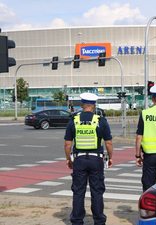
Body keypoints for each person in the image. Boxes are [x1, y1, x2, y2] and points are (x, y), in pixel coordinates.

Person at [64, 92, 113, 225]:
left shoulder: (74, 120)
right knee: (97, 191)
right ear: (94, 105)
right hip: (96, 160)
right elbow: (108, 142)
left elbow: (68, 144)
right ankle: (99, 220)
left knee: (78, 191)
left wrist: (69, 159)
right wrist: (110, 157)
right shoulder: (100, 121)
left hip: (79, 160)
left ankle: (77, 220)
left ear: (82, 105)